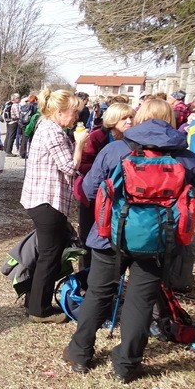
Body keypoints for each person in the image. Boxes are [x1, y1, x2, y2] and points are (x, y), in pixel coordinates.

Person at [63, 98, 195, 382]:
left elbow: (87, 191)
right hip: (159, 242)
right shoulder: (186, 159)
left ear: (139, 119)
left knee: (99, 293)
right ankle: (126, 365)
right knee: (140, 300)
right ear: (171, 121)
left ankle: (80, 354)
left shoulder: (115, 150)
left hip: (109, 238)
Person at [20, 89, 88, 322]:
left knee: (46, 254)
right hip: (47, 201)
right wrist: (79, 143)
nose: (76, 117)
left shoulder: (48, 126)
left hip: (40, 199)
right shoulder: (54, 132)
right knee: (50, 255)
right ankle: (39, 310)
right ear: (59, 112)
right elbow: (69, 167)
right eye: (73, 112)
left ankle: (34, 299)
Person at [73, 103, 135, 267]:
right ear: (113, 119)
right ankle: (85, 274)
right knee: (87, 235)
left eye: (131, 117)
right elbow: (81, 164)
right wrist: (102, 168)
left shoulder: (134, 140)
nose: (129, 121)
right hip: (93, 192)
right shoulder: (96, 136)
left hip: (117, 195)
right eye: (124, 118)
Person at [18, 94, 38, 158]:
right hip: (30, 124)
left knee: (24, 138)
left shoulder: (25, 105)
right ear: (35, 100)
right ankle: (31, 152)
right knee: (31, 139)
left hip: (23, 123)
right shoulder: (34, 106)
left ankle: (22, 153)